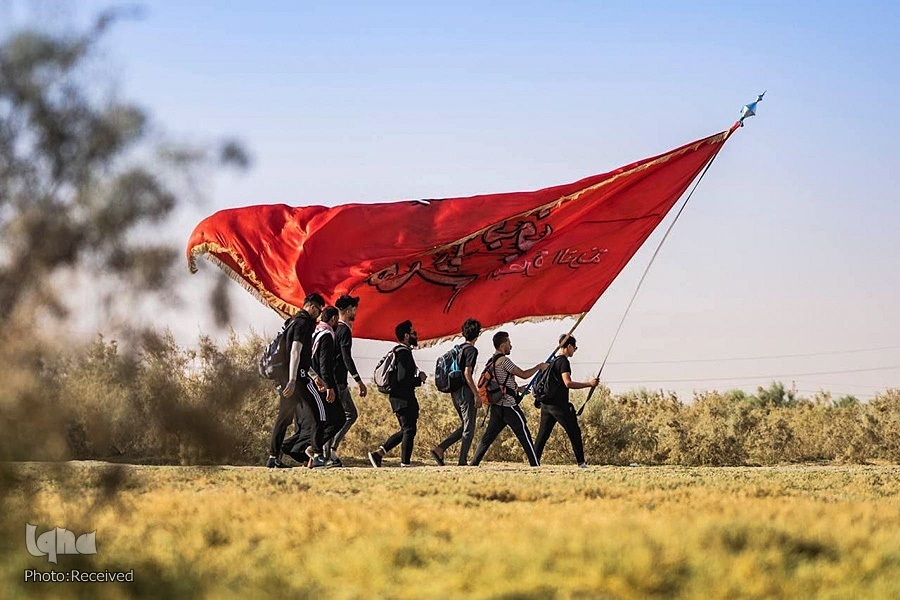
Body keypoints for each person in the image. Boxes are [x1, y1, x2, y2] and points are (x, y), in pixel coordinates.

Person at [470, 331, 548, 467]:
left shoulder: (492, 361)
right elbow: (523, 374)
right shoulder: (505, 361)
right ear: (502, 345)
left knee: (487, 438)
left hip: (496, 406)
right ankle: (535, 464)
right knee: (524, 434)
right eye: (509, 343)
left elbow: (501, 383)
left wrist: (517, 389)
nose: (511, 346)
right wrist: (539, 367)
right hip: (508, 406)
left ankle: (474, 463)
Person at [266, 293, 325, 468]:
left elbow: (298, 355)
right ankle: (317, 454)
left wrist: (314, 376)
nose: (319, 315)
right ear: (312, 307)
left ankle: (272, 458)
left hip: (287, 376)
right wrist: (293, 380)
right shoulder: (303, 323)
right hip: (297, 378)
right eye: (319, 311)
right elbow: (295, 352)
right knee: (319, 413)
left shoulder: (292, 321)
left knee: (284, 418)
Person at [533, 335, 598, 468]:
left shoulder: (553, 361)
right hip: (559, 406)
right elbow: (568, 383)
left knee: (543, 435)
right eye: (574, 347)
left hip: (546, 405)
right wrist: (589, 384)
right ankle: (581, 462)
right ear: (568, 346)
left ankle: (534, 462)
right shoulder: (563, 362)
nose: (574, 350)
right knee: (574, 432)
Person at [368, 320, 426, 468]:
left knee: (407, 429)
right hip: (403, 397)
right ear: (406, 335)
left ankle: (379, 454)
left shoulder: (398, 351)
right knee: (409, 429)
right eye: (413, 333)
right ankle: (405, 463)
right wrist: (418, 380)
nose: (416, 335)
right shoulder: (403, 353)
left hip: (397, 397)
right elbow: (403, 378)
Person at [431, 318, 482, 466]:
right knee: (469, 427)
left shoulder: (459, 348)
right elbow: (467, 373)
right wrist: (476, 394)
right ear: (478, 334)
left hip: (455, 392)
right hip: (465, 392)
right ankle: (462, 461)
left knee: (465, 425)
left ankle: (440, 449)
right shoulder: (471, 350)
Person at [324, 294, 367, 464]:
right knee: (350, 414)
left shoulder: (333, 329)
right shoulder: (344, 330)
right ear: (348, 310)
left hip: (330, 379)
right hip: (338, 381)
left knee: (333, 417)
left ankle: (325, 453)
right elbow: (346, 357)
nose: (356, 311)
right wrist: (358, 380)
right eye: (355, 309)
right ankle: (330, 451)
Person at [310, 305, 346, 467]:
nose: (338, 323)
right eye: (337, 320)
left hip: (313, 381)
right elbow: (325, 364)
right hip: (322, 385)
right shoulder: (326, 335)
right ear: (333, 319)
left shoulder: (315, 332)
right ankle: (314, 449)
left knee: (323, 418)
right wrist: (329, 386)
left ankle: (314, 450)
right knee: (338, 418)